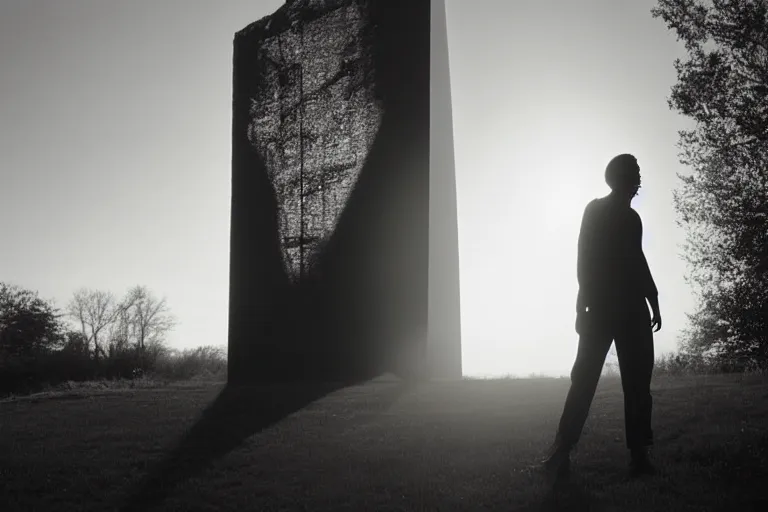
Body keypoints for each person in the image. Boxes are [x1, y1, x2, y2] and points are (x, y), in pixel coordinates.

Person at [543, 154, 662, 480]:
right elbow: (585, 258)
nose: (638, 179)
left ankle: (638, 457)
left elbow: (637, 258)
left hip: (628, 308)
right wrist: (582, 305)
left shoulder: (632, 218)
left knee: (637, 383)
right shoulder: (595, 210)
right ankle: (562, 451)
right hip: (604, 307)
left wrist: (652, 296)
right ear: (621, 178)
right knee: (584, 380)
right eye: (634, 173)